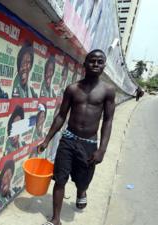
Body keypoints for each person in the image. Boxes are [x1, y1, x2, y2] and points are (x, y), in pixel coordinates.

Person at [38, 49, 115, 225]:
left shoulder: (107, 91)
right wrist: (47, 139)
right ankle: (55, 219)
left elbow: (108, 121)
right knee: (60, 179)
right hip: (68, 139)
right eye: (92, 61)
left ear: (104, 66)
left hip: (89, 144)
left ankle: (82, 191)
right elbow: (61, 116)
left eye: (100, 61)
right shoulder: (72, 89)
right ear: (85, 64)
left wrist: (102, 149)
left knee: (83, 181)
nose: (96, 64)